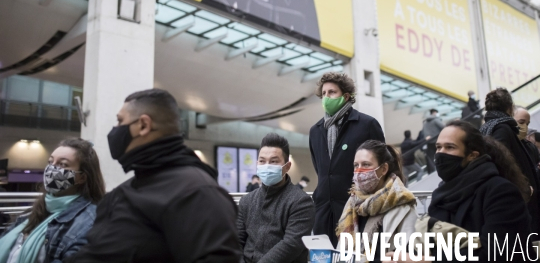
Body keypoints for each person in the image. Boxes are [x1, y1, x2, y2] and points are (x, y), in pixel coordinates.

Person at [68, 89, 241, 262]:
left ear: (143, 125)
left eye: (120, 121)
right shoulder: (130, 188)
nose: (115, 130)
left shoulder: (197, 193)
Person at [428, 121, 532, 261]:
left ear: (472, 155)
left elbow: (495, 254)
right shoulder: (442, 194)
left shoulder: (501, 192)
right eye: (438, 147)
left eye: (450, 147)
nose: (441, 153)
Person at [480, 88, 540, 259]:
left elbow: (538, 180)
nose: (524, 127)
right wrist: (523, 189)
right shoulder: (502, 130)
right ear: (510, 109)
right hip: (518, 204)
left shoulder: (526, 145)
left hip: (525, 204)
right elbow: (499, 164)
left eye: (528, 123)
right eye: (522, 121)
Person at [309, 72, 385, 246]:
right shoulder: (316, 131)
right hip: (324, 212)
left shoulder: (366, 125)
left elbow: (382, 166)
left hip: (358, 209)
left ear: (346, 96)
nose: (326, 97)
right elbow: (321, 169)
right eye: (324, 93)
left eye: (332, 92)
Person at [0, 138, 105, 262]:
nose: (51, 169)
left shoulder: (89, 222)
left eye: (63, 164)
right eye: (50, 162)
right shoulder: (33, 213)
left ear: (81, 177)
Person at [238, 133, 314, 263]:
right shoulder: (247, 201)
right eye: (262, 161)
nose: (266, 165)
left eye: (273, 161)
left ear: (287, 166)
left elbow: (291, 245)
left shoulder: (301, 202)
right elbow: (236, 240)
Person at [336, 140, 417, 262]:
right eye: (356, 165)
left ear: (383, 169)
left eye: (366, 164)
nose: (359, 171)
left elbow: (409, 254)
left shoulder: (403, 205)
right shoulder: (352, 203)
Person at [422, 108, 444, 174]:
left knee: (432, 157)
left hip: (429, 142)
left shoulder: (425, 122)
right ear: (434, 113)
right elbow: (443, 126)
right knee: (441, 154)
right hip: (438, 140)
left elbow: (424, 133)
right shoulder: (436, 120)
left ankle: (434, 171)